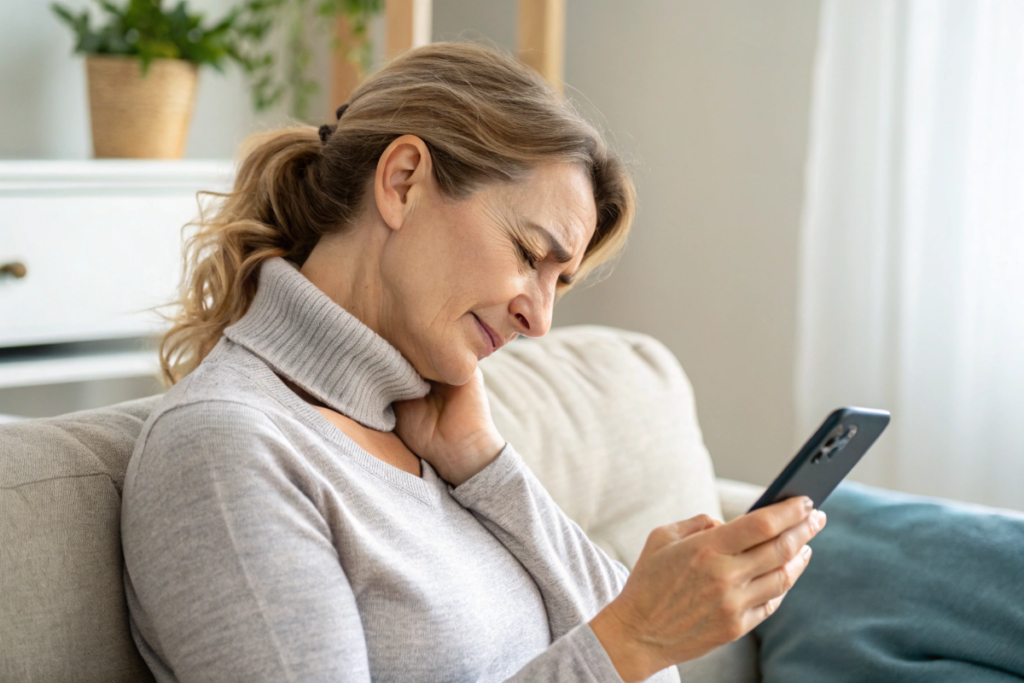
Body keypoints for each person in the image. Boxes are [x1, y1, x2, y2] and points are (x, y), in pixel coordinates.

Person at [120, 42, 825, 683]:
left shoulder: (430, 431)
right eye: (528, 254)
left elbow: (655, 674)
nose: (540, 320)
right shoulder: (226, 448)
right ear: (401, 181)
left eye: (559, 281)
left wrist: (491, 469)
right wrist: (630, 638)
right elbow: (630, 652)